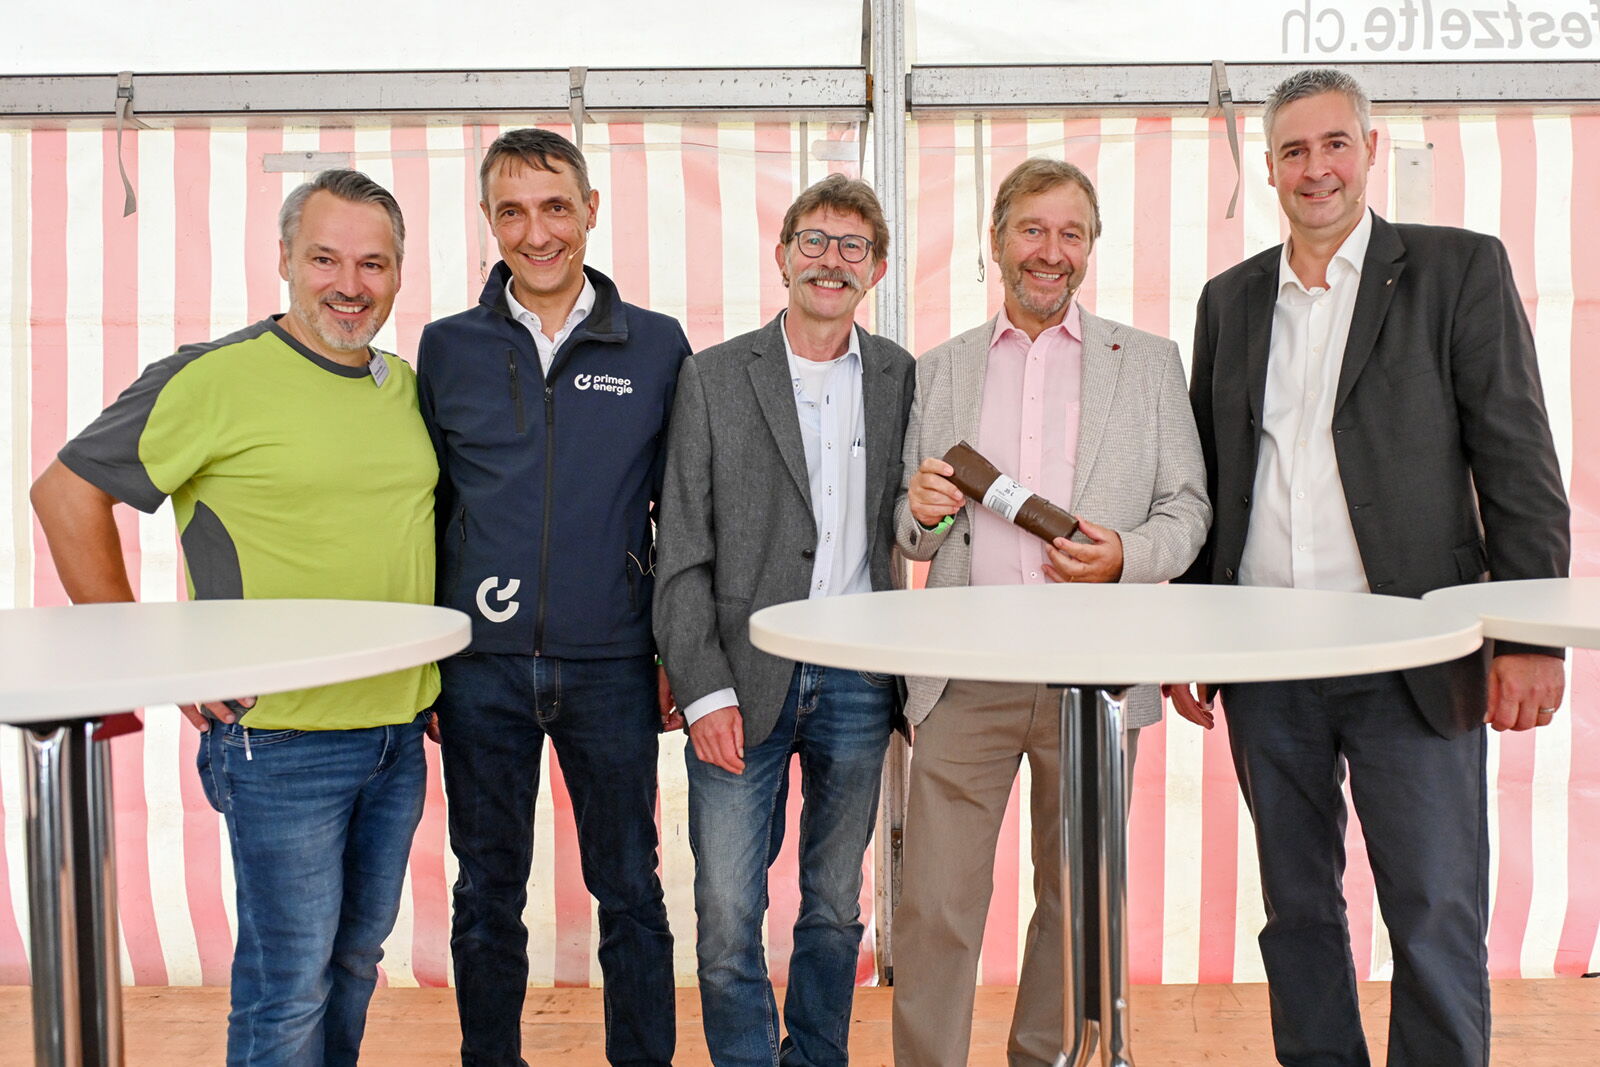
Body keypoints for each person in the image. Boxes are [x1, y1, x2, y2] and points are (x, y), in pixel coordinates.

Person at [1173, 68, 1570, 1066]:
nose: (1317, 168)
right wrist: (1189, 634)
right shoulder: (1229, 300)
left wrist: (1530, 638)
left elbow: (1518, 461)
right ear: (1268, 169)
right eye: (1294, 151)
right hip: (1265, 655)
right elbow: (1210, 478)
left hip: (1413, 647)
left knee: (1433, 905)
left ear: (1370, 150)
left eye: (1334, 144)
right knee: (1296, 909)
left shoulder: (1455, 269)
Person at [31, 169, 437, 1066]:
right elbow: (64, 493)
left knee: (354, 964)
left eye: (372, 264)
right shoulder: (211, 377)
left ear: (399, 273)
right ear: (284, 258)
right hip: (278, 738)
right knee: (287, 984)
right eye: (325, 258)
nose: (349, 283)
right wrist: (151, 656)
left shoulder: (404, 386)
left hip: (397, 731)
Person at [888, 157, 1210, 1067]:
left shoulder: (1148, 363)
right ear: (996, 241)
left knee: (1076, 904)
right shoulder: (940, 370)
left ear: (1091, 247)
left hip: (1096, 681)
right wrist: (921, 512)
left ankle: (1047, 1059)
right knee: (936, 905)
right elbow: (911, 532)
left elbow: (1188, 509)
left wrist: (1125, 556)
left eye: (1072, 233)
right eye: (1033, 229)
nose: (1051, 251)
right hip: (965, 677)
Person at [416, 127, 689, 1067]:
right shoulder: (446, 347)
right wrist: (431, 657)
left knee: (631, 890)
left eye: (556, 207)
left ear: (591, 211)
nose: (537, 233)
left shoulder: (657, 345)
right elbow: (426, 508)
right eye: (513, 211)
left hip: (612, 664)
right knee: (486, 890)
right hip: (479, 671)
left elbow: (681, 514)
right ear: (488, 220)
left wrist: (673, 650)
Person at [653, 173, 915, 1067]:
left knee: (835, 907)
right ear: (782, 256)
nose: (831, 260)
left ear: (876, 269)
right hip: (740, 674)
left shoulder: (900, 376)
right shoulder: (713, 375)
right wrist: (702, 690)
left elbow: (913, 519)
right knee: (728, 910)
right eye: (815, 241)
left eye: (852, 246)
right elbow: (681, 546)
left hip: (859, 677)